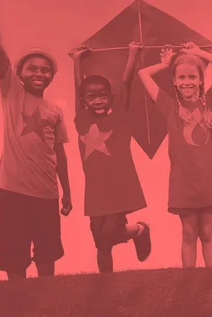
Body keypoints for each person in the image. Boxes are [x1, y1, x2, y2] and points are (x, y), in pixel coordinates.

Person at [0, 0, 72, 280]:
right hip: (13, 190)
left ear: (51, 78)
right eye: (33, 68)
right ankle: (16, 304)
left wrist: (67, 192)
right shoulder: (12, 93)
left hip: (47, 193)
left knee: (47, 255)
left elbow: (60, 154)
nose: (39, 73)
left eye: (45, 70)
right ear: (19, 73)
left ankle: (47, 302)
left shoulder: (55, 111)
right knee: (15, 257)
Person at [137, 42, 212, 268]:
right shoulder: (168, 105)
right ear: (174, 82)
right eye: (181, 78)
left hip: (210, 181)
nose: (187, 82)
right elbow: (143, 74)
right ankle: (189, 280)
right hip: (183, 182)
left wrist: (196, 52)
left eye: (192, 77)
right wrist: (164, 64)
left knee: (207, 232)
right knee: (188, 233)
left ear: (200, 80)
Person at [71, 43, 151, 273]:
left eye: (103, 96)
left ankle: (138, 230)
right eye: (91, 97)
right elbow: (78, 85)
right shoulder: (81, 119)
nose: (97, 100)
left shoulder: (119, 117)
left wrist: (133, 54)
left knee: (108, 233)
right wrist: (77, 60)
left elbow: (126, 82)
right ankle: (105, 283)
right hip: (95, 189)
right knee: (99, 238)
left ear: (110, 98)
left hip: (119, 185)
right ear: (84, 101)